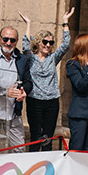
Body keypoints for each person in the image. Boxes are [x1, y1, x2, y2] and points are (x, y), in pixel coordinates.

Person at [20, 9, 73, 151]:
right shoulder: (31, 58)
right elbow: (25, 46)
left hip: (51, 101)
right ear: (38, 42)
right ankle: (32, 166)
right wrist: (29, 24)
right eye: (45, 42)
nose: (48, 45)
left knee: (48, 137)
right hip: (34, 100)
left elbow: (66, 44)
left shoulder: (53, 58)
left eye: (51, 42)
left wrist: (65, 21)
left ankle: (47, 168)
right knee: (35, 136)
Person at [0, 25, 32, 151]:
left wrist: (23, 91)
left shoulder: (22, 59)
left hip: (14, 114)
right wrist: (5, 92)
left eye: (12, 40)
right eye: (5, 39)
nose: (8, 43)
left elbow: (28, 82)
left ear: (17, 41)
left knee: (19, 150)